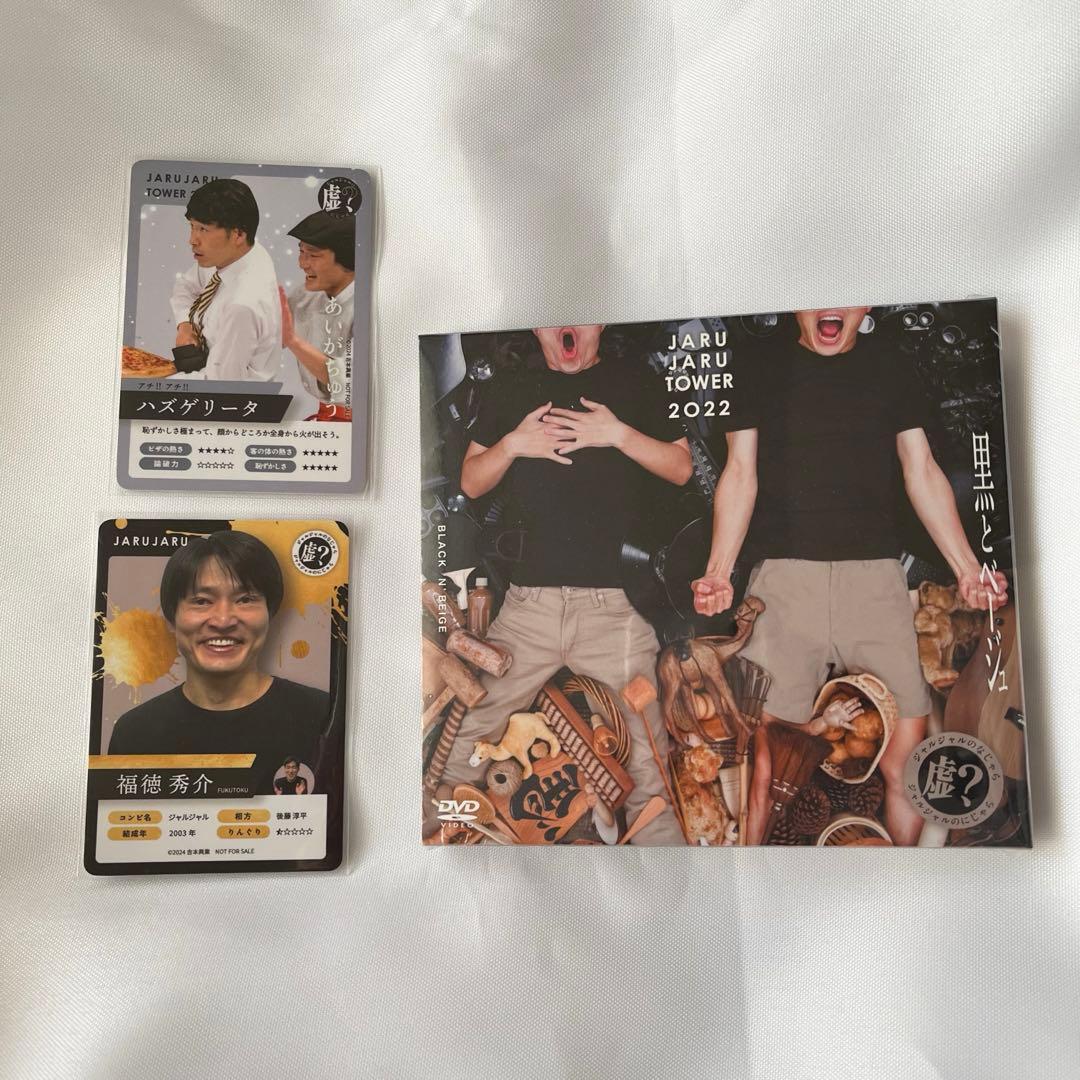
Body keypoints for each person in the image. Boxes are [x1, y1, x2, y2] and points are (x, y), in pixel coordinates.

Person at [692, 307, 1008, 845]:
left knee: (908, 768)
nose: (829, 306)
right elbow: (740, 471)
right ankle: (749, 882)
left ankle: (901, 885)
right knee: (765, 773)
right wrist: (718, 572)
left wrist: (966, 569)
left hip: (875, 581)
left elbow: (921, 469)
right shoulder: (758, 364)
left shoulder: (891, 363)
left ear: (866, 307)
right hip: (784, 583)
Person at [425, 324, 699, 845]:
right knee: (468, 738)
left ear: (600, 325)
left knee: (647, 756)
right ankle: (438, 849)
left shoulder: (636, 382)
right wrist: (514, 444)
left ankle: (668, 871)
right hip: (529, 608)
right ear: (538, 328)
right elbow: (471, 481)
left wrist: (617, 435)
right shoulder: (511, 389)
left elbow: (682, 468)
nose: (566, 330)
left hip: (616, 609)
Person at [109, 531, 327, 795]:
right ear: (172, 617)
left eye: (245, 599)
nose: (223, 620)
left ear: (270, 614)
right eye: (201, 601)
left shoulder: (322, 717)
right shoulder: (134, 733)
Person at [170, 179, 281, 381]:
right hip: (209, 370)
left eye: (203, 229)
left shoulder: (242, 305)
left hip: (228, 392)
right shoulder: (235, 254)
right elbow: (186, 287)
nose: (192, 240)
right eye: (192, 226)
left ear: (238, 234)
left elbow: (219, 384)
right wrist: (186, 326)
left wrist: (151, 384)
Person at [279, 210, 356, 421]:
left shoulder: (366, 305)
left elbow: (348, 383)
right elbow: (268, 340)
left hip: (361, 421)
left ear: (346, 256)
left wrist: (292, 341)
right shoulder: (304, 295)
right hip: (324, 419)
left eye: (313, 255)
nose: (302, 263)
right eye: (301, 252)